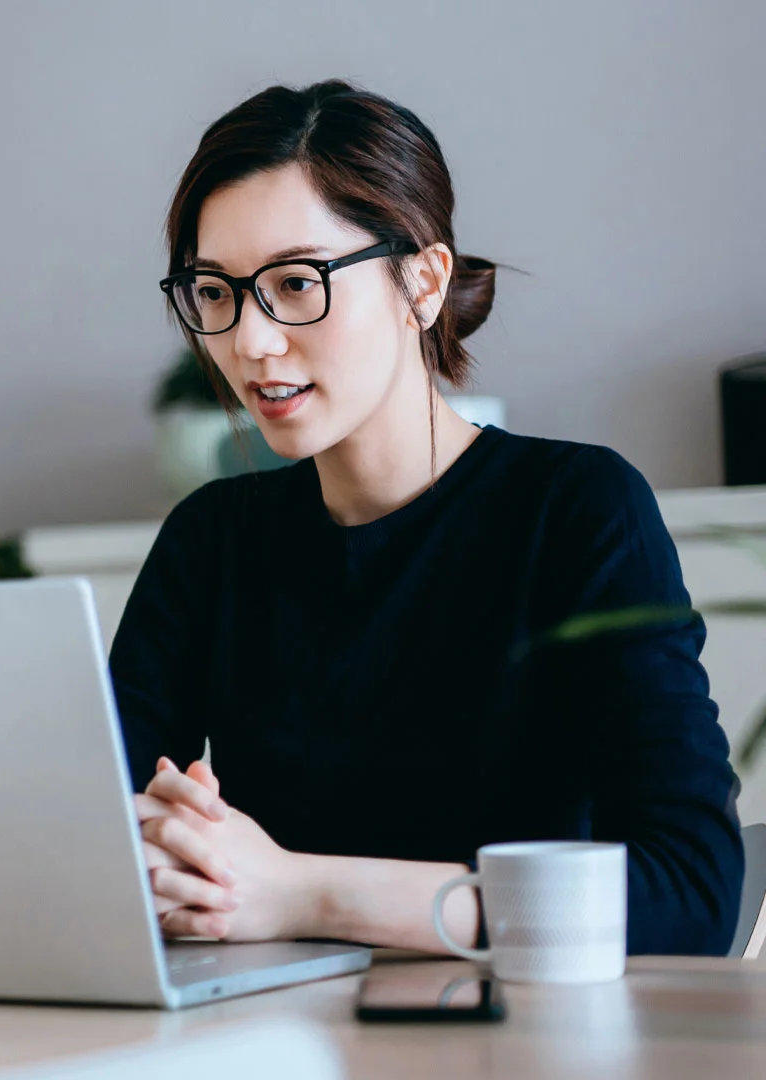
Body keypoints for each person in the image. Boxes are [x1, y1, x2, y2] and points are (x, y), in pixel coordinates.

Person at [114, 80, 743, 956]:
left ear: (423, 282)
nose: (250, 341)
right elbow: (105, 847)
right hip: (274, 1040)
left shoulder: (575, 510)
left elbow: (690, 894)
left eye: (297, 283)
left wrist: (303, 894)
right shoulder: (211, 540)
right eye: (215, 292)